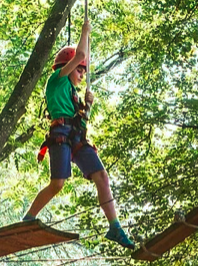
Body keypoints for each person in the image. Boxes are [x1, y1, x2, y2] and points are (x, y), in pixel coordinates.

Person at [22, 20, 134, 250]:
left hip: (75, 137)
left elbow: (80, 122)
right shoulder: (57, 80)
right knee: (57, 184)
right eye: (79, 68)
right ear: (68, 65)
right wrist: (86, 32)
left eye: (84, 69)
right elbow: (82, 53)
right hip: (60, 135)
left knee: (102, 177)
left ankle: (115, 226)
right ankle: (29, 218)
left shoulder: (73, 93)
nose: (83, 73)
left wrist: (87, 107)